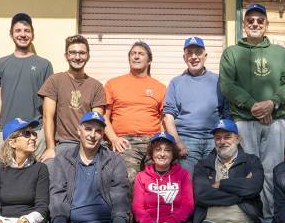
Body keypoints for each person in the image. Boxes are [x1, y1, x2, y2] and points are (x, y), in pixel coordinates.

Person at [218, 4, 285, 223]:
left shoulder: (280, 53)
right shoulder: (232, 53)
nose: (255, 23)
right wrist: (252, 105)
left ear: (266, 25)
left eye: (259, 20)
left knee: (272, 172)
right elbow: (227, 84)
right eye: (250, 20)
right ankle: (251, 220)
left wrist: (272, 103)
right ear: (244, 25)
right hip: (243, 122)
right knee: (247, 173)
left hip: (274, 121)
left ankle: (270, 220)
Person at [0, 13, 54, 160]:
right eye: (18, 30)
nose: (23, 34)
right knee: (2, 177)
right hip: (6, 133)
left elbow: (48, 102)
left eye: (27, 30)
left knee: (34, 179)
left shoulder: (44, 64)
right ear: (11, 34)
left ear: (32, 34)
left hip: (35, 133)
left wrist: (44, 132)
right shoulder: (1, 63)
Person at [163, 36, 229, 175]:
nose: (194, 57)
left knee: (215, 184)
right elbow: (168, 118)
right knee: (188, 186)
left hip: (214, 140)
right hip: (186, 142)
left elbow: (227, 114)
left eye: (198, 52)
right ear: (184, 57)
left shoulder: (219, 81)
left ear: (205, 56)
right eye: (189, 53)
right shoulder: (176, 83)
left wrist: (224, 140)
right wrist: (177, 142)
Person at [103, 41, 166, 185]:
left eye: (141, 54)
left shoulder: (160, 87)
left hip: (153, 141)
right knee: (128, 180)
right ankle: (129, 208)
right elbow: (104, 117)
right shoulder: (113, 84)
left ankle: (152, 208)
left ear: (149, 60)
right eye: (133, 53)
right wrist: (114, 139)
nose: (136, 57)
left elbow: (163, 121)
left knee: (157, 181)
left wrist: (161, 143)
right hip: (125, 142)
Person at [38, 35, 106, 162]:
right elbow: (48, 117)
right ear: (66, 56)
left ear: (88, 56)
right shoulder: (55, 81)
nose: (77, 57)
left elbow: (96, 123)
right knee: (50, 169)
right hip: (64, 143)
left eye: (82, 53)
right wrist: (50, 147)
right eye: (73, 53)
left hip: (90, 144)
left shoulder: (96, 86)